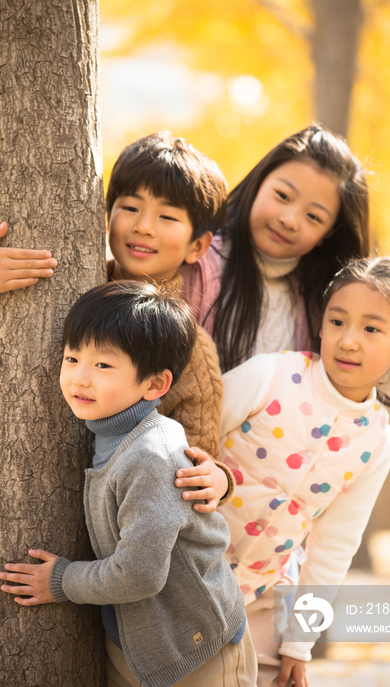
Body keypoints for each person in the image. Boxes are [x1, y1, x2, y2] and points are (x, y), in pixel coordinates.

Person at [0, 281, 261, 687]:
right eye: (72, 357)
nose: (80, 377)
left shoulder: (149, 455)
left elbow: (139, 574)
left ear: (155, 385)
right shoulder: (112, 431)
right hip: (138, 643)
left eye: (103, 366)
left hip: (195, 648)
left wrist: (61, 581)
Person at [217, 256, 390, 687]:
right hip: (187, 576)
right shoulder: (269, 376)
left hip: (265, 597)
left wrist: (299, 643)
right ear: (321, 324)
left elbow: (333, 551)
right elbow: (187, 437)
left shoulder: (376, 443)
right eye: (338, 321)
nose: (349, 340)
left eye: (372, 329)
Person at [0, 131, 236, 511]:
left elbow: (198, 460)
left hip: (114, 521)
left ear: (198, 245)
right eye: (130, 207)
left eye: (168, 216)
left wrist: (219, 481)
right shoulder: (68, 279)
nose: (144, 226)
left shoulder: (190, 345)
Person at [179, 124, 390, 484]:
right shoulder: (196, 262)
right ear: (259, 182)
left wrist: (365, 435)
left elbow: (323, 394)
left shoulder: (322, 307)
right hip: (181, 470)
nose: (289, 219)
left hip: (256, 499)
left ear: (328, 234)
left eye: (314, 217)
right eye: (283, 196)